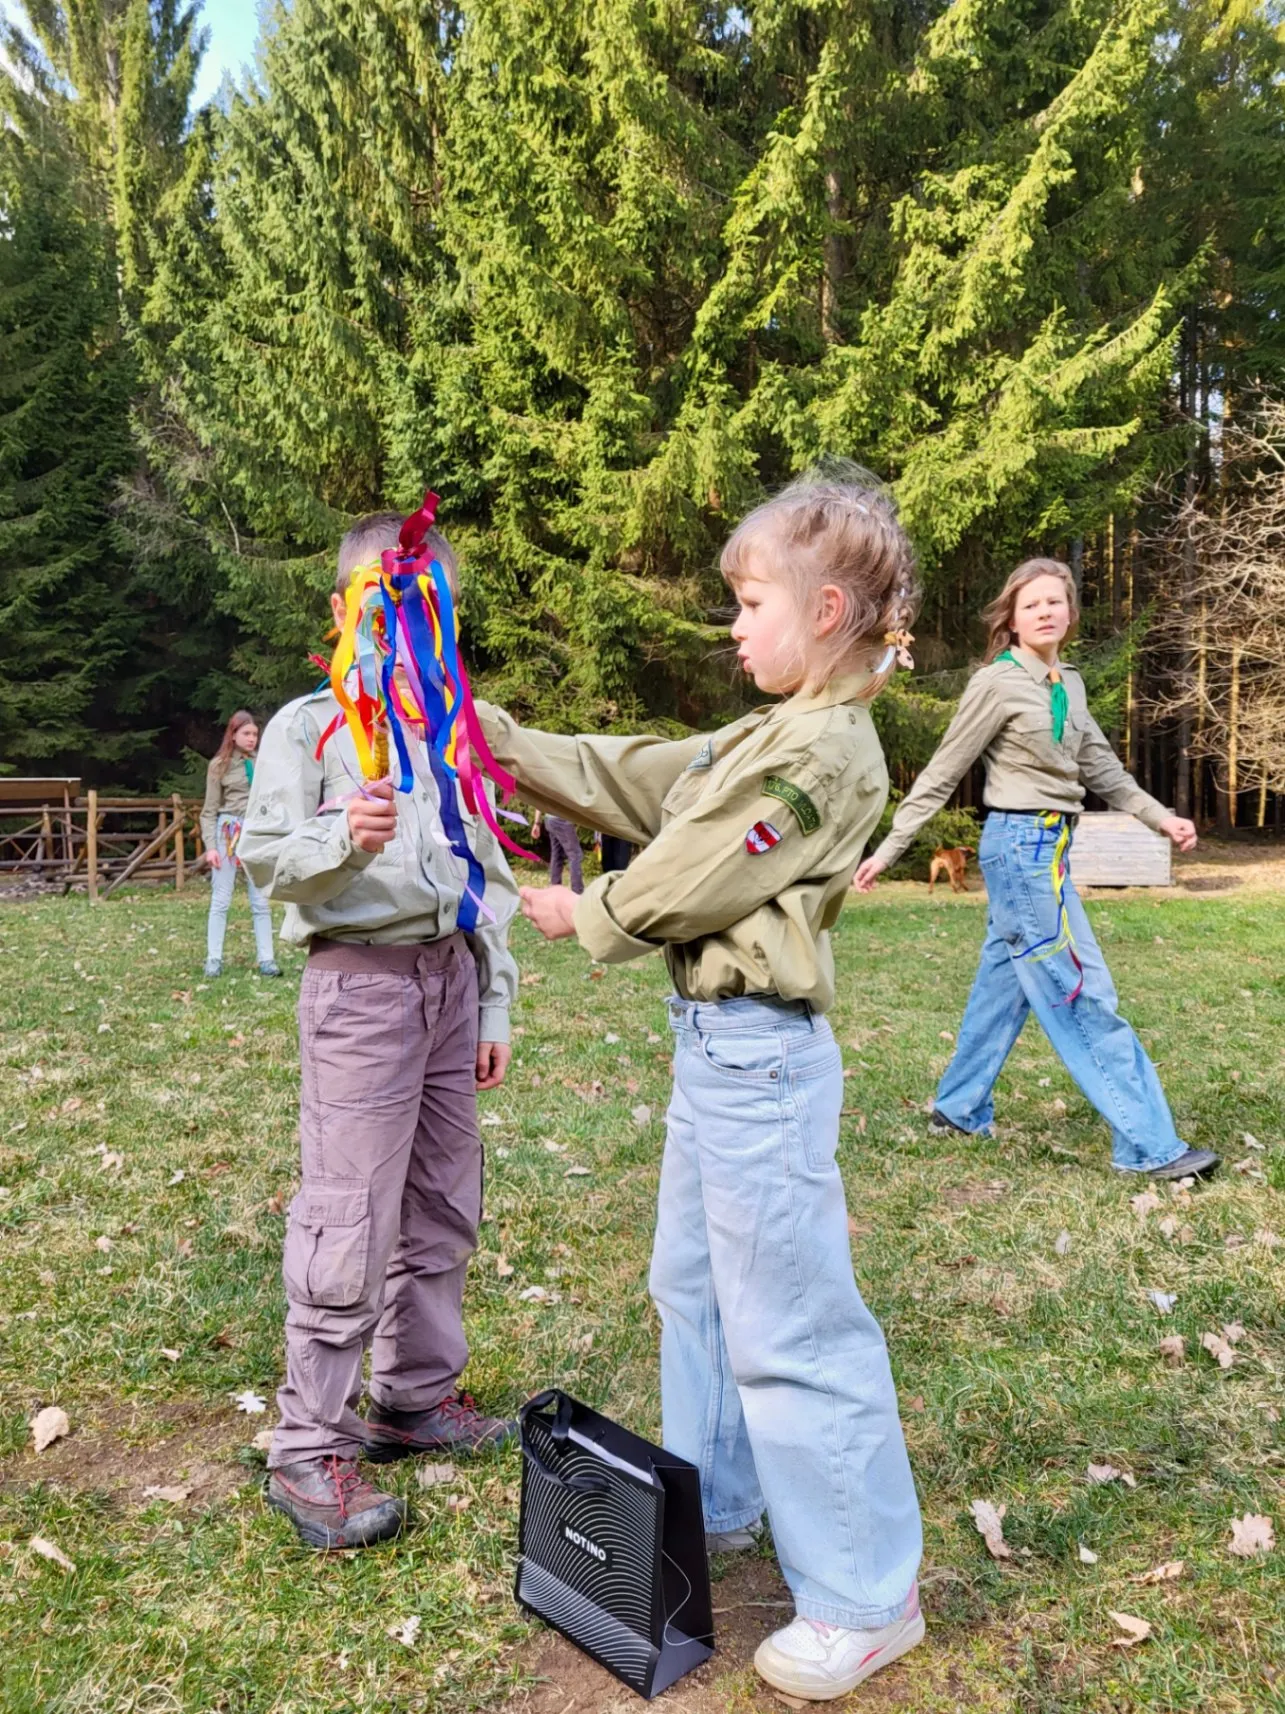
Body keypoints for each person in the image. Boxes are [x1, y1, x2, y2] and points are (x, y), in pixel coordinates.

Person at [478, 467, 925, 1703]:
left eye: (749, 603)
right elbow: (642, 775)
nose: (732, 626)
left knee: (791, 1324)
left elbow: (701, 868)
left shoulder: (825, 751)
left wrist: (593, 910)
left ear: (825, 611)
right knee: (698, 1291)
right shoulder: (767, 731)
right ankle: (719, 1499)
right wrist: (490, 740)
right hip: (716, 1051)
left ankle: (864, 1595)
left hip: (760, 1058)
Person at [238, 511, 520, 1553]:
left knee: (442, 1199)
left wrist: (492, 999)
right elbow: (266, 856)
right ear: (342, 609)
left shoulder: (450, 728)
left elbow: (481, 870)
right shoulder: (308, 728)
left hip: (447, 984)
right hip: (360, 989)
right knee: (349, 1214)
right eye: (382, 603)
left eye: (422, 605)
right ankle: (308, 1443)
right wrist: (339, 839)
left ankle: (412, 1397)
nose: (402, 624)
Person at [853, 557, 1219, 1183]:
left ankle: (958, 1108)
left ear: (1070, 613)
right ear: (1012, 619)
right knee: (1080, 991)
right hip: (1021, 850)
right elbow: (942, 771)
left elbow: (1101, 767)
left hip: (1049, 849)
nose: (1045, 611)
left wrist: (1160, 817)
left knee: (1005, 984)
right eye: (1032, 604)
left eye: (1055, 601)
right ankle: (1149, 1145)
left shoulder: (1067, 682)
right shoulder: (996, 682)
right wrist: (890, 849)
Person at [199, 710, 280, 978]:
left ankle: (267, 959)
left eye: (255, 734)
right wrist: (211, 846)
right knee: (221, 898)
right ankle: (213, 958)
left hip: (256, 831)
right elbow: (209, 810)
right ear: (233, 735)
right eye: (246, 733)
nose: (252, 739)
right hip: (228, 832)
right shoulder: (219, 765)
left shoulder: (263, 764)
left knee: (260, 899)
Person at [532, 809, 584, 893]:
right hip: (561, 819)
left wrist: (537, 823)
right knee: (575, 855)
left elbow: (539, 803)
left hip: (550, 819)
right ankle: (577, 892)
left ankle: (555, 889)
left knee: (557, 854)